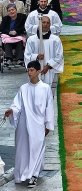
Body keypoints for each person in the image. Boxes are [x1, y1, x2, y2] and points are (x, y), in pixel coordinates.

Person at [4, 60, 54, 188]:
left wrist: (48, 125)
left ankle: (34, 175)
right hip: (24, 124)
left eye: (32, 70)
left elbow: (49, 108)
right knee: (23, 149)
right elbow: (17, 105)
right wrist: (11, 111)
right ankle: (23, 174)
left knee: (36, 150)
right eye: (28, 70)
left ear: (38, 71)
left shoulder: (45, 88)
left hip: (38, 124)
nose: (29, 72)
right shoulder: (23, 88)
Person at [24, 16, 64, 95]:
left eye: (47, 23)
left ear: (50, 25)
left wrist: (48, 66)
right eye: (43, 22)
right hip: (37, 71)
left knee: (49, 94)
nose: (45, 24)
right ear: (39, 24)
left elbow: (59, 55)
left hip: (50, 71)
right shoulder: (31, 39)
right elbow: (27, 55)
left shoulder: (55, 39)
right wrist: (37, 57)